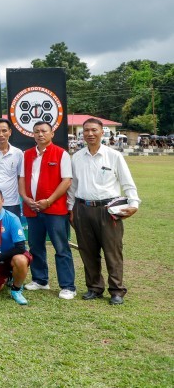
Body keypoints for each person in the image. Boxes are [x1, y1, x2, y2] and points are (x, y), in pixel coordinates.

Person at [70, 117, 140, 305]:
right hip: (82, 209)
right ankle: (94, 288)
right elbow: (72, 186)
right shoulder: (77, 157)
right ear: (81, 134)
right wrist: (71, 209)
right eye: (86, 131)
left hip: (109, 210)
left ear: (102, 132)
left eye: (94, 130)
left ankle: (116, 290)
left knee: (112, 251)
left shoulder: (113, 156)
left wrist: (134, 204)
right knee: (88, 251)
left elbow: (127, 183)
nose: (90, 134)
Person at [18, 121, 76, 299]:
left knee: (61, 247)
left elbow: (66, 181)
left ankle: (68, 286)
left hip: (55, 210)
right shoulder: (27, 155)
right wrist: (26, 198)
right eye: (36, 132)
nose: (40, 134)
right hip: (32, 209)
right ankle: (40, 280)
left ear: (52, 133)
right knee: (35, 246)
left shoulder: (61, 154)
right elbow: (21, 179)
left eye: (44, 131)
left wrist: (48, 201)